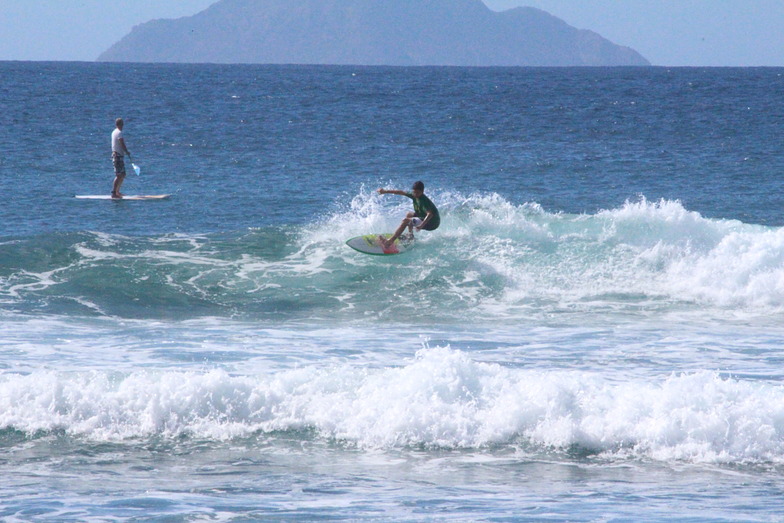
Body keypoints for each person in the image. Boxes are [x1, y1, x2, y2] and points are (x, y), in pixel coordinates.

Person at [377, 181, 440, 249]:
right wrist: (385, 191)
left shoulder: (424, 201)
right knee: (409, 214)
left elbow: (430, 214)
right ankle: (410, 236)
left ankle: (389, 242)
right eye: (414, 192)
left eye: (417, 193)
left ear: (422, 191)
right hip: (424, 217)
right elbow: (401, 192)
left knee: (406, 221)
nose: (415, 194)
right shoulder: (414, 195)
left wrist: (421, 225)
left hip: (432, 223)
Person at [111, 118, 131, 198]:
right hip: (117, 156)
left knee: (123, 174)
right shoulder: (119, 133)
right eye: (122, 124)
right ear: (120, 124)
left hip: (119, 155)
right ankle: (114, 193)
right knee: (119, 175)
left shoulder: (114, 132)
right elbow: (121, 143)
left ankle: (117, 192)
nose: (123, 126)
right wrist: (126, 151)